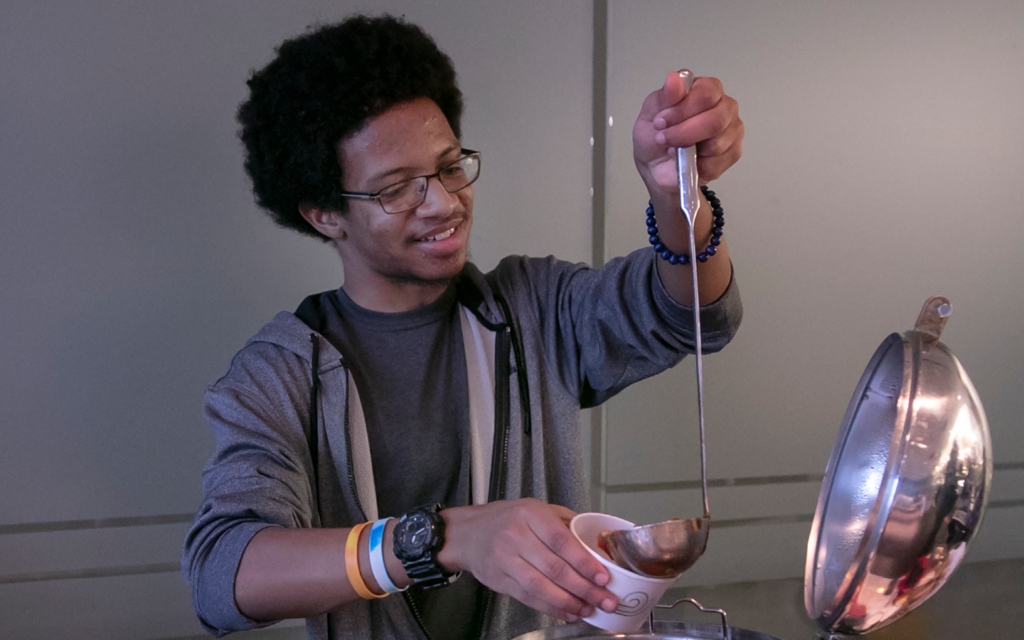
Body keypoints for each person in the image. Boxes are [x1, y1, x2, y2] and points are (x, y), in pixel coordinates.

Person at [182, 13, 744, 640]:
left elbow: (691, 314)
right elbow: (223, 575)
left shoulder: (534, 308)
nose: (446, 203)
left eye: (451, 167)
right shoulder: (276, 377)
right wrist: (443, 538)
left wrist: (673, 196)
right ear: (323, 214)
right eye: (398, 189)